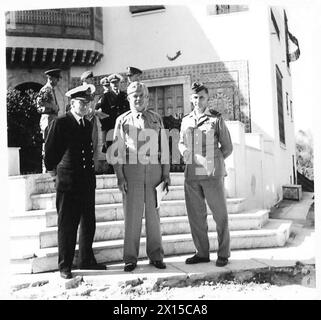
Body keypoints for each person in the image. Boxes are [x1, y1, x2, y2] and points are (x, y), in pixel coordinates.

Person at [44, 83, 106, 279]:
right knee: (67, 224)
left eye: (87, 102)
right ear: (72, 103)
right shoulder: (61, 122)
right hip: (68, 182)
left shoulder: (87, 124)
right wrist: (56, 175)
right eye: (81, 102)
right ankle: (65, 265)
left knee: (89, 222)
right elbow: (50, 155)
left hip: (86, 181)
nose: (86, 106)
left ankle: (86, 259)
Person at [110, 81, 170, 272]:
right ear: (128, 98)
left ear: (147, 98)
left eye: (142, 95)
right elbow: (117, 151)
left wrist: (166, 174)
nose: (138, 99)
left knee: (154, 216)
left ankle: (156, 255)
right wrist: (120, 176)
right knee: (132, 216)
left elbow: (165, 148)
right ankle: (130, 258)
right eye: (134, 95)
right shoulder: (123, 120)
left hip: (154, 170)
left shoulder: (156, 118)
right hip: (132, 171)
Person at [178, 82, 233, 267]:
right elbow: (180, 142)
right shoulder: (185, 120)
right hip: (192, 173)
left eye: (201, 97)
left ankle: (223, 254)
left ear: (207, 99)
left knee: (220, 215)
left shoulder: (216, 119)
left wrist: (213, 161)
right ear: (190, 99)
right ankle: (201, 253)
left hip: (211, 173)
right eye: (194, 97)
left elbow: (227, 147)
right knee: (195, 215)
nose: (197, 100)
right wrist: (184, 151)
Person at [95, 73, 129, 156]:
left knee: (124, 151)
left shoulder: (125, 96)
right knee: (111, 151)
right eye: (113, 83)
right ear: (110, 84)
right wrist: (105, 122)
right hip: (111, 128)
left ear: (120, 83)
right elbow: (97, 111)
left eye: (117, 83)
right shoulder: (106, 96)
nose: (115, 85)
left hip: (123, 128)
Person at [37, 68, 61, 172]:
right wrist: (52, 106)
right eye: (56, 79)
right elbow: (39, 105)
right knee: (47, 143)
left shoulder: (51, 89)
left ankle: (51, 166)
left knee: (53, 143)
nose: (58, 81)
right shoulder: (45, 90)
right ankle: (46, 168)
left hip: (53, 117)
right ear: (51, 78)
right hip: (48, 118)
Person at [81, 70, 99, 171]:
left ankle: (93, 167)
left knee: (94, 142)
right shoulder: (81, 91)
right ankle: (86, 167)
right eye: (90, 78)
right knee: (86, 143)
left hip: (92, 119)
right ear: (85, 79)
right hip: (85, 120)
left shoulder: (91, 90)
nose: (92, 80)